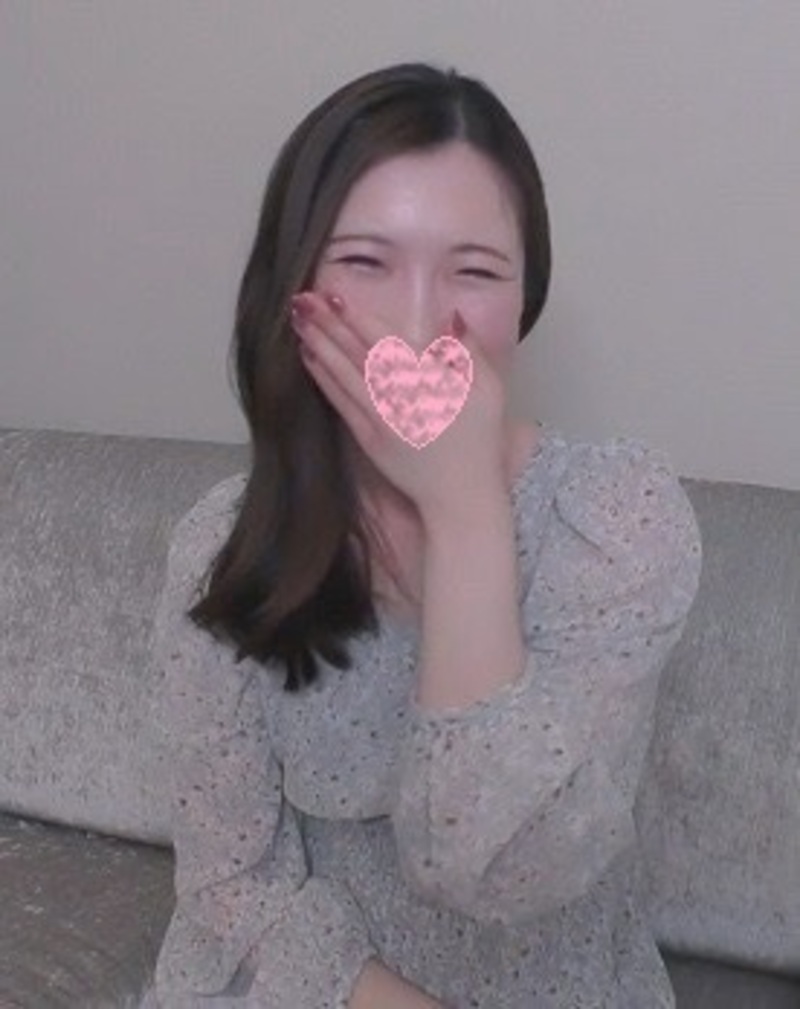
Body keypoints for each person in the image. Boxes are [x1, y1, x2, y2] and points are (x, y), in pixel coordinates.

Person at [146, 63, 702, 1008]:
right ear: (295, 287)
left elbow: (499, 870)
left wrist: (464, 510)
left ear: (523, 299)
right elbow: (231, 884)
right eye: (365, 262)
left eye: (474, 271)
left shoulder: (617, 518)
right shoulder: (222, 544)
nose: (413, 323)